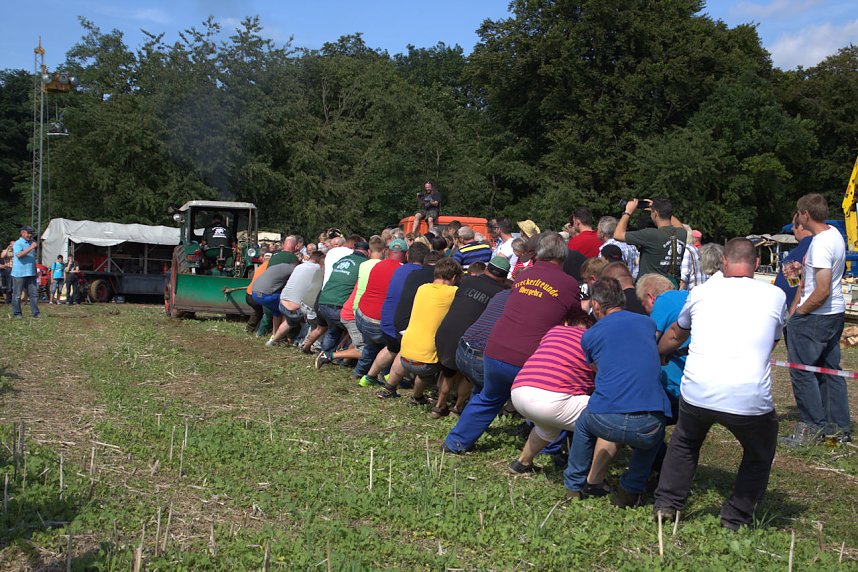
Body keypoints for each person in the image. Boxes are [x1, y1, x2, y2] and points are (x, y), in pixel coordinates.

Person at [654, 238, 787, 530]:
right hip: (748, 399)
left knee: (685, 443)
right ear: (755, 264)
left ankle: (667, 504)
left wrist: (658, 353)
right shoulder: (776, 296)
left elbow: (677, 334)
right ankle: (735, 518)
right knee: (758, 453)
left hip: (698, 391)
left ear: (724, 262)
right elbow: (773, 340)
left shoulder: (701, 293)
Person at [444, 232, 582, 454]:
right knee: (551, 401)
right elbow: (576, 317)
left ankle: (455, 442)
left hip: (495, 348)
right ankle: (551, 451)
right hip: (528, 358)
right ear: (564, 255)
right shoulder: (568, 284)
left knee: (488, 397)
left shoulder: (523, 275)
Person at [563, 277, 672, 507]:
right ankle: (630, 490)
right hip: (648, 424)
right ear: (622, 300)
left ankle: (574, 487)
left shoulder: (590, 336)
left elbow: (597, 369)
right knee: (654, 437)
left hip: (605, 419)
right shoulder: (647, 323)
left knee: (583, 423)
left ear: (596, 305)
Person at [782, 193, 852, 445]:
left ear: (805, 215)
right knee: (830, 371)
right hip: (834, 313)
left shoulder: (821, 243)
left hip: (816, 315)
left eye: (798, 214)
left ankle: (812, 429)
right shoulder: (835, 234)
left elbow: (821, 289)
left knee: (802, 372)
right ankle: (839, 429)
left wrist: (799, 314)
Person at [434, 256, 510, 411]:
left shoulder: (467, 281)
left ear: (486, 269)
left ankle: (439, 405)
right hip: (469, 339)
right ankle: (458, 407)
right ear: (504, 277)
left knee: (448, 372)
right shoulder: (501, 294)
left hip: (445, 332)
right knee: (467, 376)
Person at [388, 258, 462, 411]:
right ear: (454, 278)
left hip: (405, 354)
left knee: (424, 360)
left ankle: (416, 396)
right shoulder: (454, 293)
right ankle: (443, 401)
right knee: (450, 363)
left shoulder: (422, 288)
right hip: (426, 363)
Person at [614, 197, 686, 286]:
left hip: (649, 288)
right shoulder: (682, 234)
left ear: (655, 214)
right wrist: (662, 209)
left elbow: (617, 235)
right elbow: (679, 225)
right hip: (671, 286)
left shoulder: (650, 234)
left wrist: (628, 212)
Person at [315, 240, 368, 357]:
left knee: (334, 330)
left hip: (323, 302)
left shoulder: (342, 260)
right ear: (367, 252)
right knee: (357, 329)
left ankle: (325, 354)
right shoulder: (364, 264)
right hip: (338, 306)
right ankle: (344, 357)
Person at [269, 250, 324, 346]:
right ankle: (301, 342)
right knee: (310, 318)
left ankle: (274, 340)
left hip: (282, 301)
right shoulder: (317, 268)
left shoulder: (299, 266)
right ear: (319, 261)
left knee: (290, 321)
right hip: (294, 307)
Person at [773, 214, 812, 306]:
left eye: (794, 225)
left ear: (802, 226)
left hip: (794, 309)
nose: (792, 229)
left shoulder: (808, 243)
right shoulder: (807, 245)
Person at [10, 225, 40, 318]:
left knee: (34, 294)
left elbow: (32, 259)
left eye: (31, 233)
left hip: (30, 273)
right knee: (17, 295)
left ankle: (35, 313)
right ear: (22, 233)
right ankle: (17, 313)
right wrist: (31, 248)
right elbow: (19, 255)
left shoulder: (31, 243)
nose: (30, 235)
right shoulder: (18, 243)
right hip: (19, 274)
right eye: (28, 233)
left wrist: (35, 271)